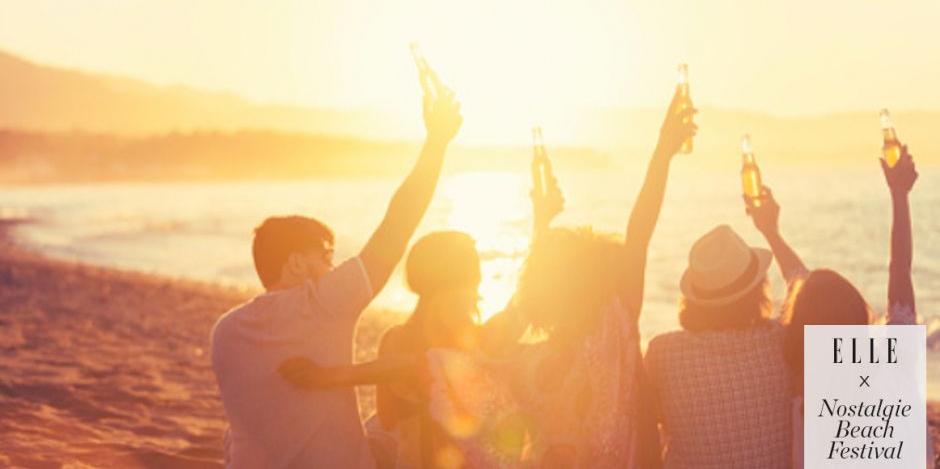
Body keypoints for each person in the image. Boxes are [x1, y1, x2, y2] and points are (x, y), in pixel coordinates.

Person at [281, 86, 696, 468]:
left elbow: (422, 364)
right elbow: (639, 232)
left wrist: (331, 376)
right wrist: (662, 152)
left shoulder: (532, 361)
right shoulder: (613, 327)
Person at [209, 73, 463, 468]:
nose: (331, 266)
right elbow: (399, 224)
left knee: (234, 435)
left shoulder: (224, 331)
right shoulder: (322, 304)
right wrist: (437, 141)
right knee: (409, 413)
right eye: (325, 256)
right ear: (295, 263)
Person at [745, 146, 926, 468]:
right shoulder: (895, 356)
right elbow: (900, 267)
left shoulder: (804, 392)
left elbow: (798, 281)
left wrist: (770, 231)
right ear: (858, 312)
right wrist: (900, 194)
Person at [642, 223, 793, 469]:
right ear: (758, 289)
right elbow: (809, 287)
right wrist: (771, 230)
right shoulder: (784, 341)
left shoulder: (664, 353)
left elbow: (651, 420)